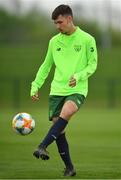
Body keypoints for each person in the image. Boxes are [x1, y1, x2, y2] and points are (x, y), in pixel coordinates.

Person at [30, 4, 97, 177]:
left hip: (77, 88)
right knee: (59, 130)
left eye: (60, 22)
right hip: (56, 90)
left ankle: (42, 146)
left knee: (67, 112)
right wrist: (35, 85)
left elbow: (93, 64)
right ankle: (70, 168)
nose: (57, 26)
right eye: (55, 23)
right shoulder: (54, 41)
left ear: (69, 18)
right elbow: (46, 66)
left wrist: (80, 75)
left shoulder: (87, 39)